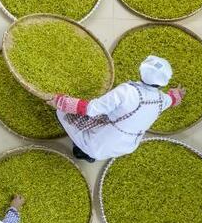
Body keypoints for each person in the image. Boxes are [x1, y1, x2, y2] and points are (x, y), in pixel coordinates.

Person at [46, 55, 186, 163]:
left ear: (141, 70)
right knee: (112, 118)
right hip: (125, 146)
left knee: (62, 112)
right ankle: (88, 154)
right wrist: (177, 95)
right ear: (163, 82)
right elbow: (172, 100)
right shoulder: (161, 100)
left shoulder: (127, 91)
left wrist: (60, 102)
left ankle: (81, 151)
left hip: (98, 144)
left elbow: (92, 109)